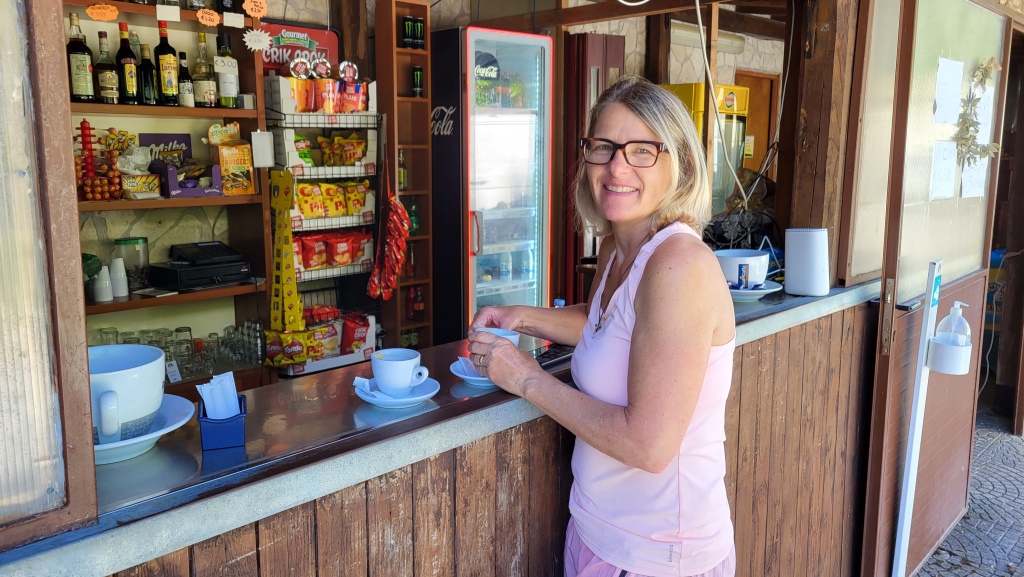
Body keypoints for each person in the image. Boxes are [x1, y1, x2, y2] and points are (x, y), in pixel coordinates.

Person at [467, 75, 736, 577]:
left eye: (641, 151)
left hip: (657, 556)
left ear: (680, 163)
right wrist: (519, 316)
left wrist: (525, 377)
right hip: (595, 533)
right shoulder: (617, 248)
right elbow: (604, 325)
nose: (616, 166)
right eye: (604, 147)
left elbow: (647, 445)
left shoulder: (680, 266)